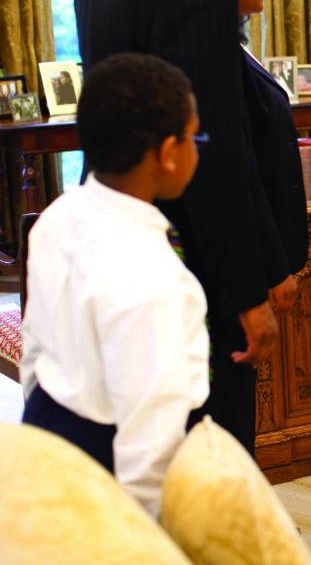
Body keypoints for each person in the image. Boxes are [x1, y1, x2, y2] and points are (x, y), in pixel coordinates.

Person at [75, 0, 292, 454]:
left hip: (114, 228)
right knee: (209, 433)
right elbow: (214, 145)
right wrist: (248, 292)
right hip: (187, 253)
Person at [20, 52, 208, 518]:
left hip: (48, 421)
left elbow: (34, 349)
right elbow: (151, 432)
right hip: (110, 456)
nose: (197, 149)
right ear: (167, 153)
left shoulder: (58, 216)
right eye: (194, 137)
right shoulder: (153, 276)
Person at [213, 0, 308, 300]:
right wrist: (270, 266)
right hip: (249, 268)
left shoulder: (232, 41)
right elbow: (239, 171)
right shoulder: (214, 53)